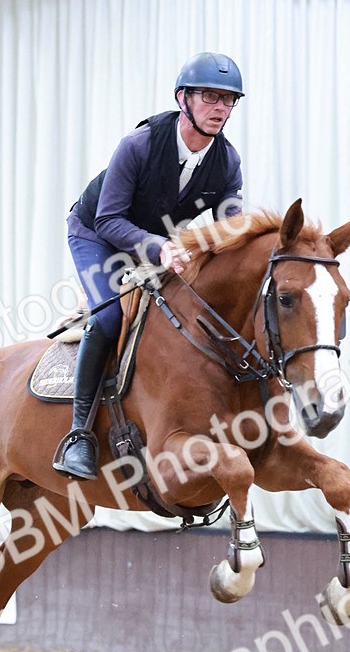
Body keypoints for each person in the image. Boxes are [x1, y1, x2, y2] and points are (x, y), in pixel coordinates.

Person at [53, 51, 245, 480]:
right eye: (210, 97)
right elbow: (107, 219)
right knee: (106, 320)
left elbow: (231, 230)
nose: (220, 109)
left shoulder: (226, 163)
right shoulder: (138, 144)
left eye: (229, 100)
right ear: (183, 99)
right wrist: (160, 247)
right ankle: (79, 435)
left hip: (153, 244)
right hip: (96, 234)